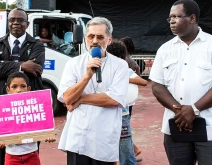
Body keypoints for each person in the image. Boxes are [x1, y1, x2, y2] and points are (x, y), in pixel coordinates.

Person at [57, 17, 129, 164]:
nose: (95, 41)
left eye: (100, 37)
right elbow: (67, 98)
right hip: (78, 138)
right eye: (91, 36)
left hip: (104, 139)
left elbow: (114, 99)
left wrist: (81, 99)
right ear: (85, 38)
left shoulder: (120, 65)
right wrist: (87, 75)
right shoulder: (73, 63)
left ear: (109, 40)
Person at [149, 0, 212, 164]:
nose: (171, 21)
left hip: (210, 128)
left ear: (192, 18)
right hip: (176, 125)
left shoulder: (211, 45)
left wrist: (193, 109)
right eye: (170, 17)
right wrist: (179, 111)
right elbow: (157, 85)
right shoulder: (165, 49)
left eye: (177, 16)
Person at [0, 8, 45, 165]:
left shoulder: (37, 45)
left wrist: (3, 66)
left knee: (31, 151)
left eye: (20, 20)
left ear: (27, 24)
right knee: (4, 151)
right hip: (4, 108)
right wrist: (22, 65)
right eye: (12, 20)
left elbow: (35, 69)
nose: (16, 23)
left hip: (29, 108)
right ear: (8, 23)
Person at [0, 72, 55, 165]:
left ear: (28, 89)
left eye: (23, 86)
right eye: (14, 87)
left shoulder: (35, 108)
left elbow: (44, 126)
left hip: (32, 155)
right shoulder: (4, 110)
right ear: (8, 90)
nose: (19, 90)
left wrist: (49, 135)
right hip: (11, 156)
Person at [107, 40, 147, 165]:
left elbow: (143, 82)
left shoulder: (124, 70)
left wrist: (123, 78)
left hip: (122, 114)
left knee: (124, 148)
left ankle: (132, 154)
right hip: (106, 113)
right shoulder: (105, 70)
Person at [120, 36, 144, 160]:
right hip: (129, 99)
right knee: (125, 127)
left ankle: (132, 151)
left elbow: (139, 79)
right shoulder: (132, 61)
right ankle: (133, 150)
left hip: (122, 100)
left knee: (123, 129)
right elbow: (139, 76)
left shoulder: (124, 61)